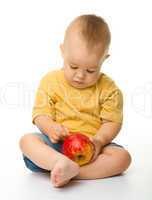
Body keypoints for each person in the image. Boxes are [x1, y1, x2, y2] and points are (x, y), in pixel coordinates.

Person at [19, 14, 132, 188]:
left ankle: (71, 171)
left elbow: (112, 122)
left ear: (104, 59)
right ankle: (59, 162)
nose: (80, 75)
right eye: (73, 66)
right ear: (62, 51)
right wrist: (50, 128)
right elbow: (40, 114)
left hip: (93, 149)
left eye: (91, 70)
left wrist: (100, 141)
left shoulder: (110, 89)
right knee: (27, 141)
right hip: (57, 146)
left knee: (122, 158)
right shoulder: (50, 81)